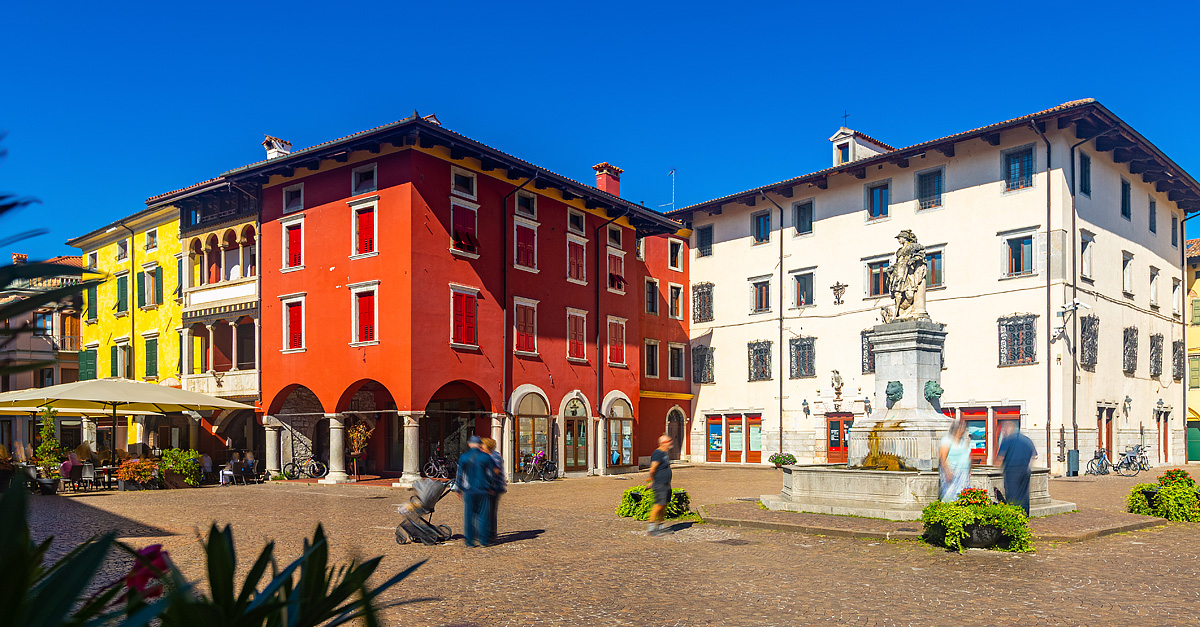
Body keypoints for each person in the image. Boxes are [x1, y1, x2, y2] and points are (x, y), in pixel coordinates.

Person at [455, 435, 498, 547]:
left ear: (469, 444)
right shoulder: (486, 457)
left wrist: (458, 489)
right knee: (483, 516)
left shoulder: (463, 457)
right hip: (483, 489)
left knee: (469, 516)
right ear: (480, 445)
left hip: (469, 490)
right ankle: (483, 540)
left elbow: (459, 474)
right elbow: (491, 474)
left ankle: (469, 541)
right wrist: (492, 487)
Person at [995, 422, 1037, 515]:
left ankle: (1014, 514)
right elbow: (1034, 456)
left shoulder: (1007, 440)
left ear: (1006, 429)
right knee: (1023, 494)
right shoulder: (1027, 440)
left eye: (1003, 430)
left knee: (1012, 494)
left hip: (1012, 471)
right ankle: (1024, 514)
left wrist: (997, 466)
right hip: (1025, 470)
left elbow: (1000, 459)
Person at [646, 435, 674, 537]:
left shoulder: (664, 453)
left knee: (663, 505)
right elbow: (652, 469)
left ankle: (661, 526)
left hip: (666, 483)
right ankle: (651, 529)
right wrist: (653, 481)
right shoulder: (657, 453)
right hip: (660, 483)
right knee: (658, 505)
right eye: (668, 441)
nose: (670, 443)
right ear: (663, 443)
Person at [480, 437, 506, 545]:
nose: (481, 448)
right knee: (486, 510)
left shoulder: (495, 456)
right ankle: (487, 533)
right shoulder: (487, 456)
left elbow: (495, 471)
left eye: (482, 446)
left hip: (494, 487)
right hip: (487, 486)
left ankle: (491, 534)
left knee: (490, 511)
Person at [938, 420, 971, 502]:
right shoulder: (947, 440)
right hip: (952, 471)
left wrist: (969, 470)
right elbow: (942, 458)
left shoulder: (962, 441)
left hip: (963, 473)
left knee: (963, 495)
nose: (963, 431)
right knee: (950, 495)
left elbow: (966, 455)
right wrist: (947, 471)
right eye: (961, 429)